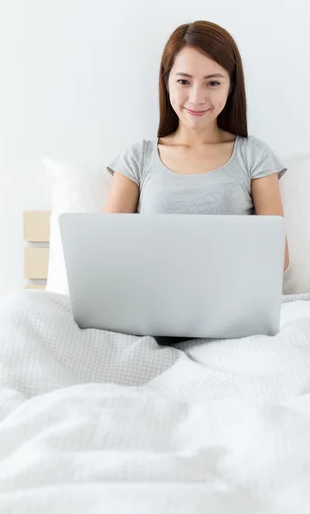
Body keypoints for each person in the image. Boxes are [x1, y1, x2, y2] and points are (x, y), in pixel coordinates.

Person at [104, 20, 289, 344]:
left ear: (232, 86)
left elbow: (278, 258)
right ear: (167, 84)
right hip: (150, 318)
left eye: (213, 83)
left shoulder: (254, 156)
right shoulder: (137, 158)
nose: (196, 96)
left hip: (234, 320)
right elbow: (103, 255)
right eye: (184, 81)